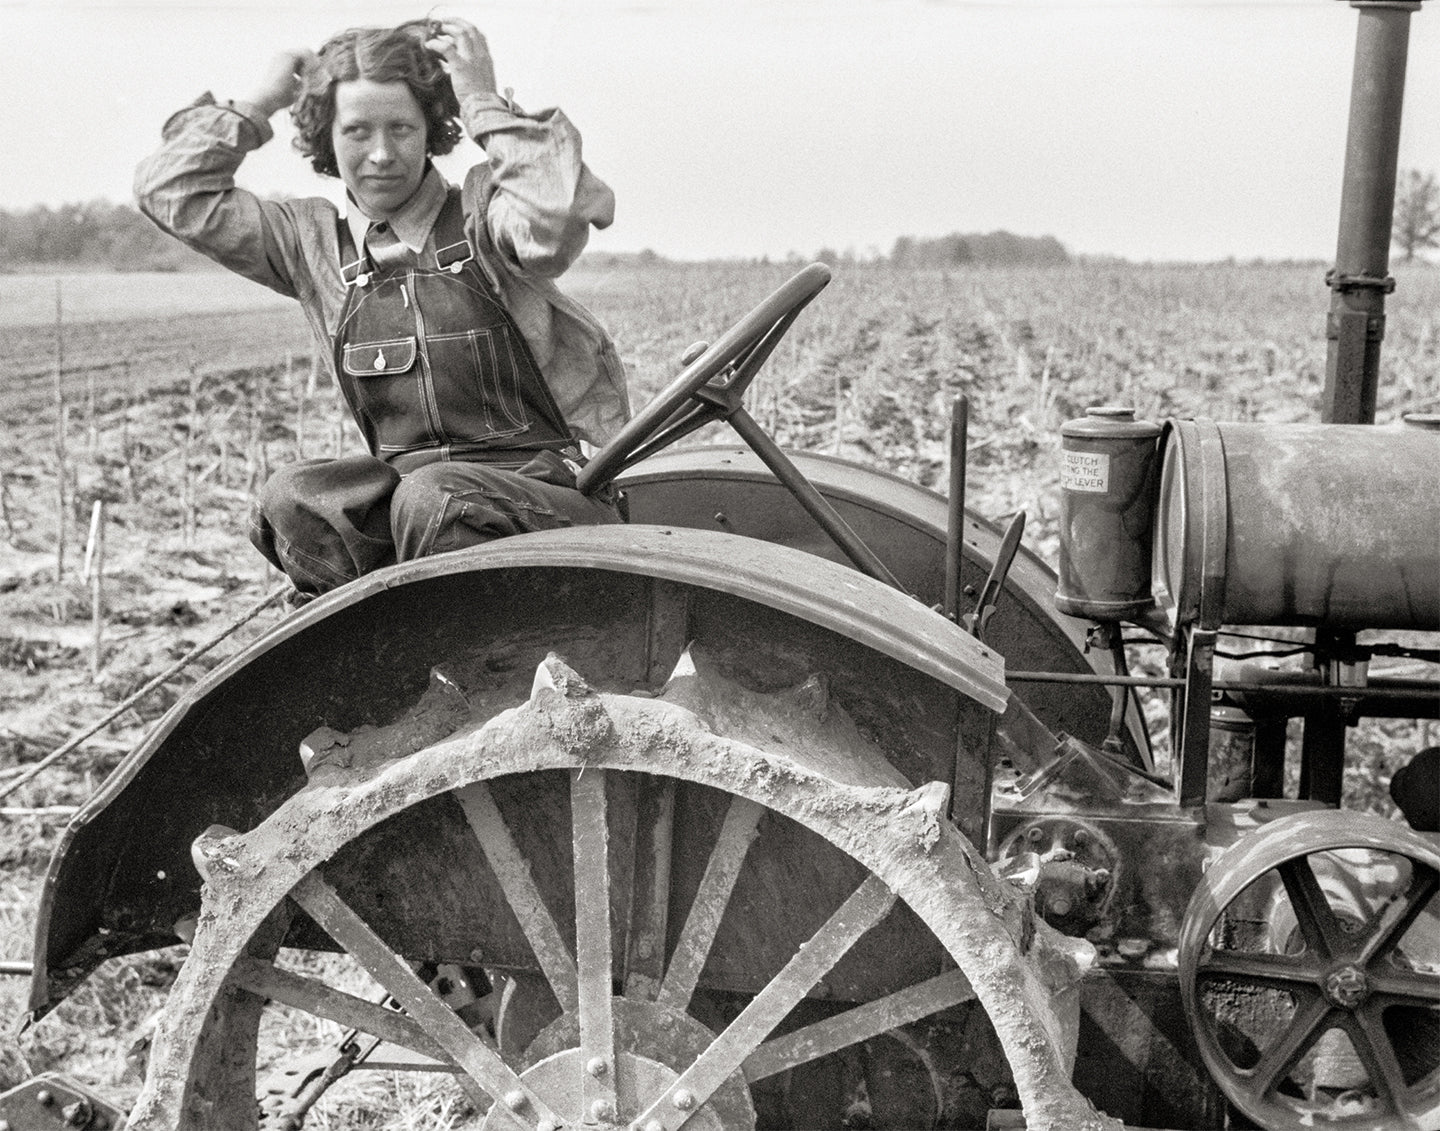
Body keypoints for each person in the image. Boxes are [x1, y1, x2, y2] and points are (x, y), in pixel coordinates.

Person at [135, 18, 630, 598]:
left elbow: (555, 214)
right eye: (356, 131)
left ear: (431, 131)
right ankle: (380, 649)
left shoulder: (487, 209)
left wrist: (481, 100)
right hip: (418, 508)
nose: (380, 154)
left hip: (546, 499)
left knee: (437, 495)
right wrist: (257, 104)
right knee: (292, 497)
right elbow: (169, 191)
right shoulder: (308, 244)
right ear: (327, 137)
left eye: (401, 128)